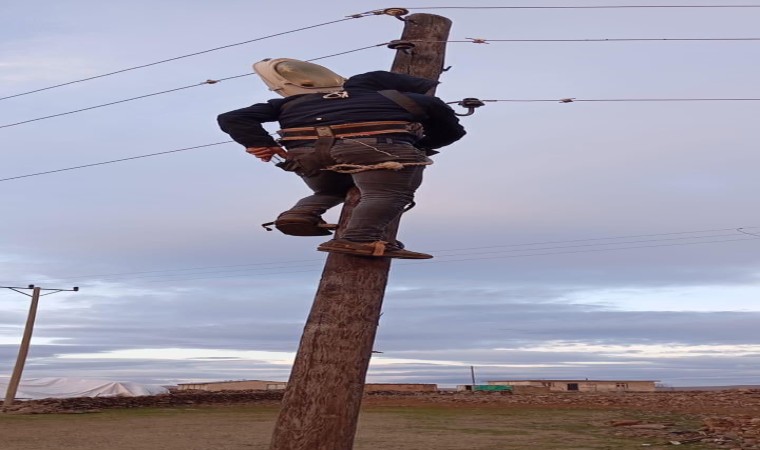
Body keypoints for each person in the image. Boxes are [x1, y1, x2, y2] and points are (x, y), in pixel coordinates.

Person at [217, 69, 465, 259]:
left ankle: (300, 214)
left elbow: (231, 117)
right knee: (388, 192)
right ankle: (359, 239)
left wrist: (261, 143)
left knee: (332, 189)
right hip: (375, 148)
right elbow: (452, 133)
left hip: (307, 157)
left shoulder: (292, 102)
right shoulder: (408, 99)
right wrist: (418, 146)